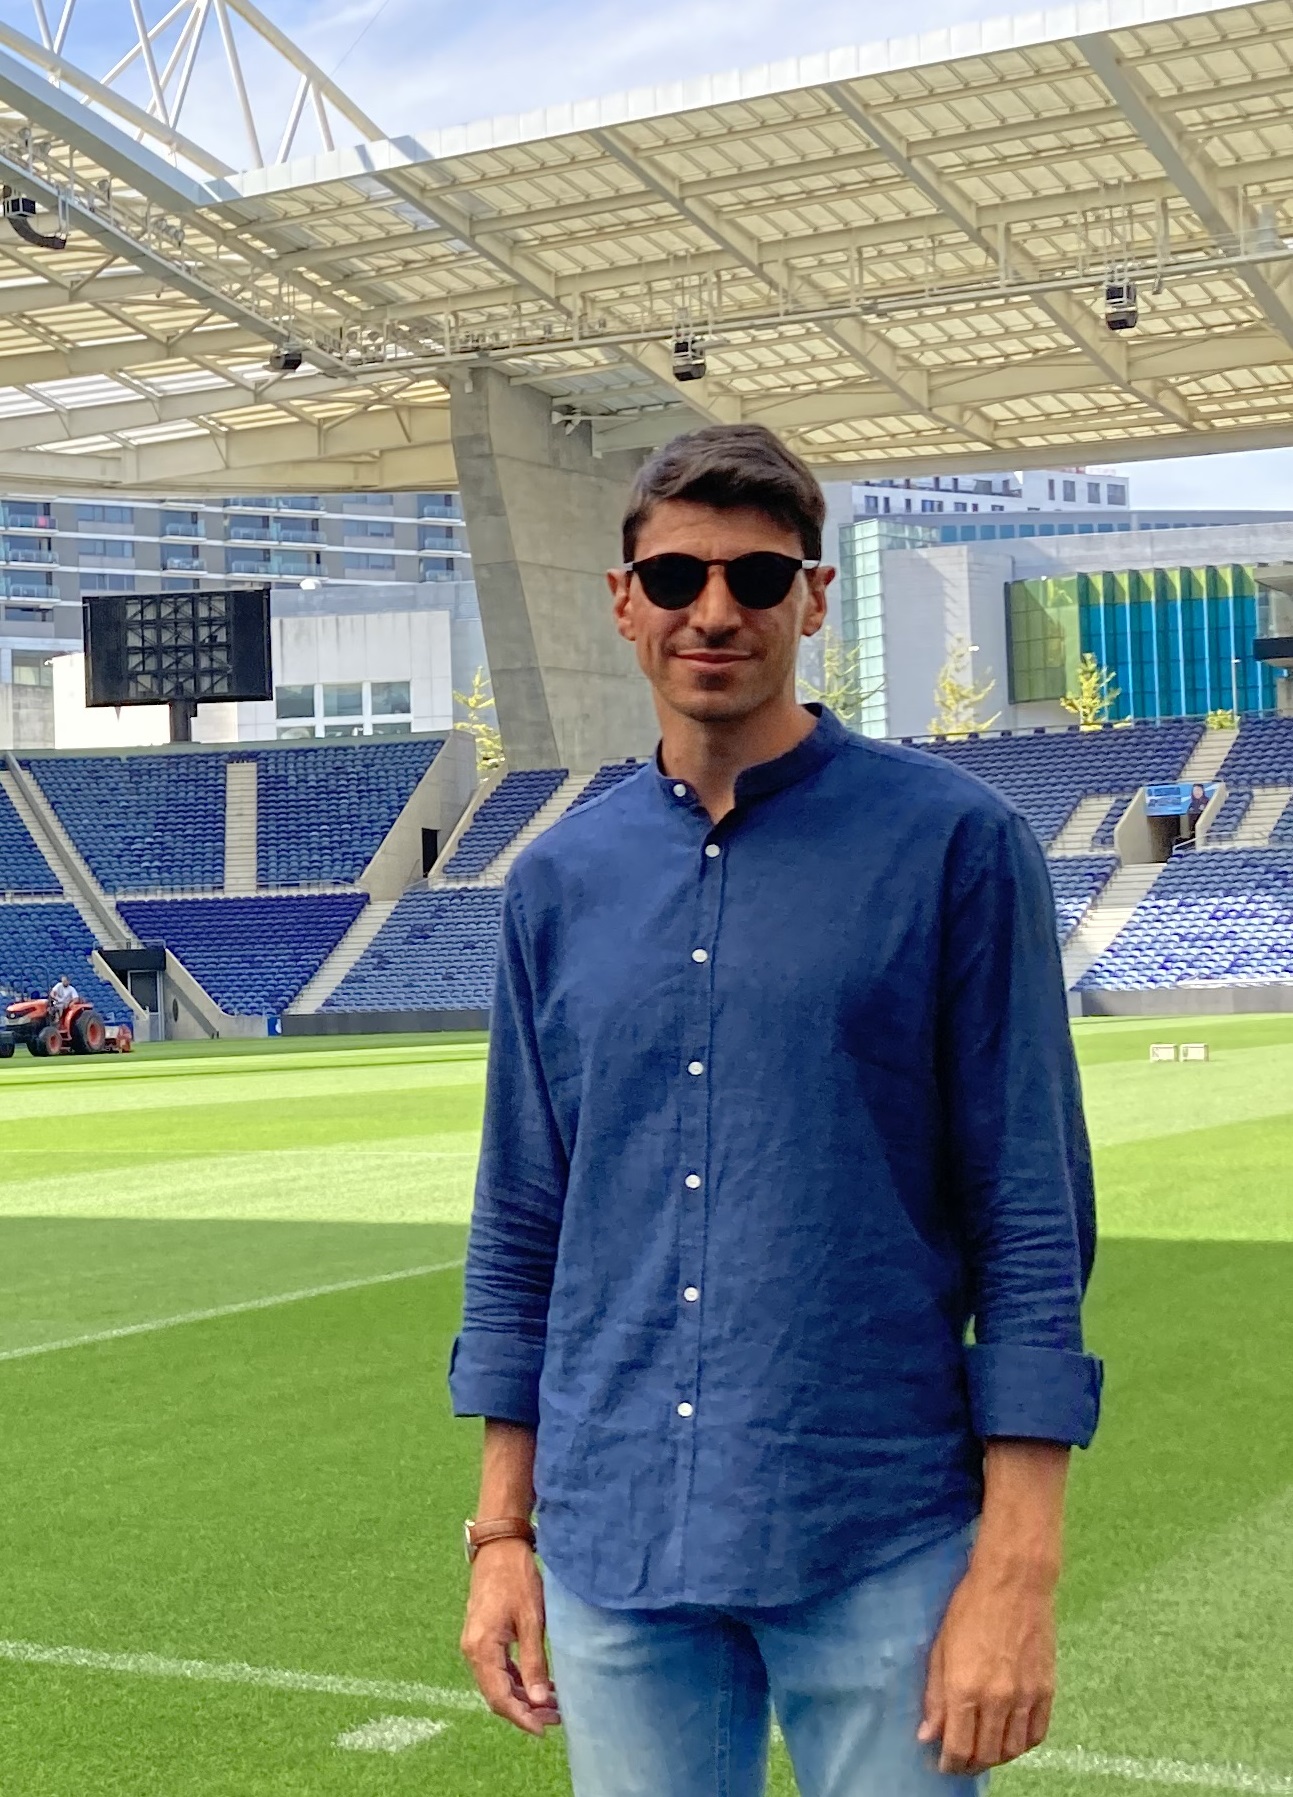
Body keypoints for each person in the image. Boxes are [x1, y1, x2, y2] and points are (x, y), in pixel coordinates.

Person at [451, 424, 1102, 1797]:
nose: (713, 610)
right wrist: (501, 1531)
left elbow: (1030, 1220)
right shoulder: (557, 882)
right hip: (614, 1538)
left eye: (755, 577)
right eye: (675, 576)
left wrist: (1017, 1567)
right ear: (622, 601)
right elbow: (521, 1219)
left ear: (811, 599)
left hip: (876, 1529)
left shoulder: (954, 845)